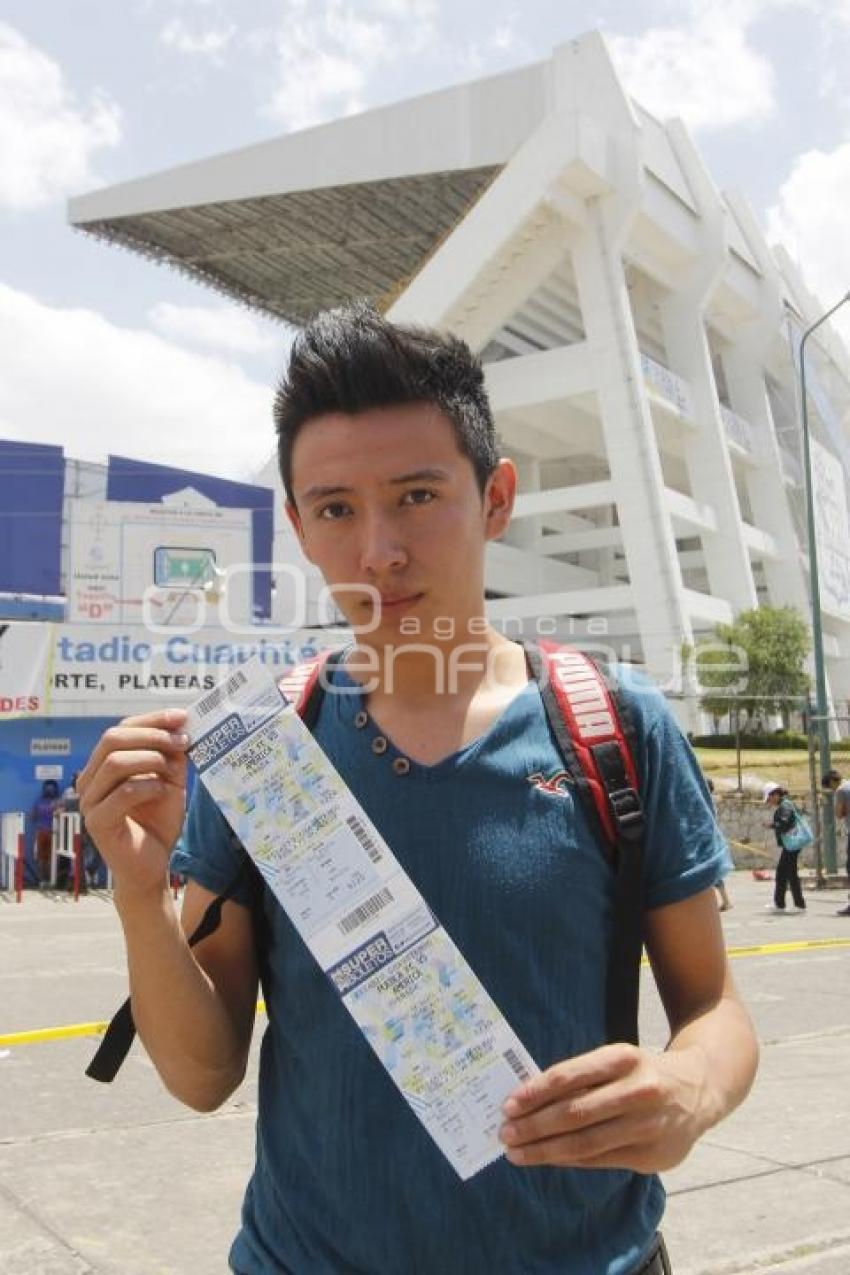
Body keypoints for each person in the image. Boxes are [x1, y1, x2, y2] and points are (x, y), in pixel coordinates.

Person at [79, 303, 758, 1275]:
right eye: (336, 509)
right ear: (298, 528)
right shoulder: (267, 749)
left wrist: (689, 1089)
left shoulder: (612, 726)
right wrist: (139, 897)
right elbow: (202, 1073)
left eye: (416, 495)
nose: (378, 552)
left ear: (494, 498)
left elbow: (714, 1002)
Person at [763, 783, 806, 913]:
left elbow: (785, 824)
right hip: (791, 844)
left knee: (785, 874)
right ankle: (791, 904)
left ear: (775, 794)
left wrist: (772, 825)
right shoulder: (786, 804)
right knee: (787, 874)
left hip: (792, 845)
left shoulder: (785, 806)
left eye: (769, 798)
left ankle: (789, 904)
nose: (769, 801)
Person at [822, 769, 850, 916]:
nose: (832, 791)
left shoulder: (841, 790)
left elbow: (839, 814)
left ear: (833, 782)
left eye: (830, 788)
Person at [706, 778, 732, 912]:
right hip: (710, 838)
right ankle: (725, 900)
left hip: (708, 840)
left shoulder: (706, 801)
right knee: (712, 873)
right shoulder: (708, 801)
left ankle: (725, 901)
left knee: (711, 873)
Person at [31, 778, 60, 888]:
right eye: (48, 788)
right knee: (41, 858)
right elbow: (32, 816)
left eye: (51, 788)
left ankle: (51, 880)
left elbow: (61, 814)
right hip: (41, 832)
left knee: (52, 859)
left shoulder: (58, 801)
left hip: (54, 833)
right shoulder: (39, 801)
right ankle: (42, 881)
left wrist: (57, 810)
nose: (50, 790)